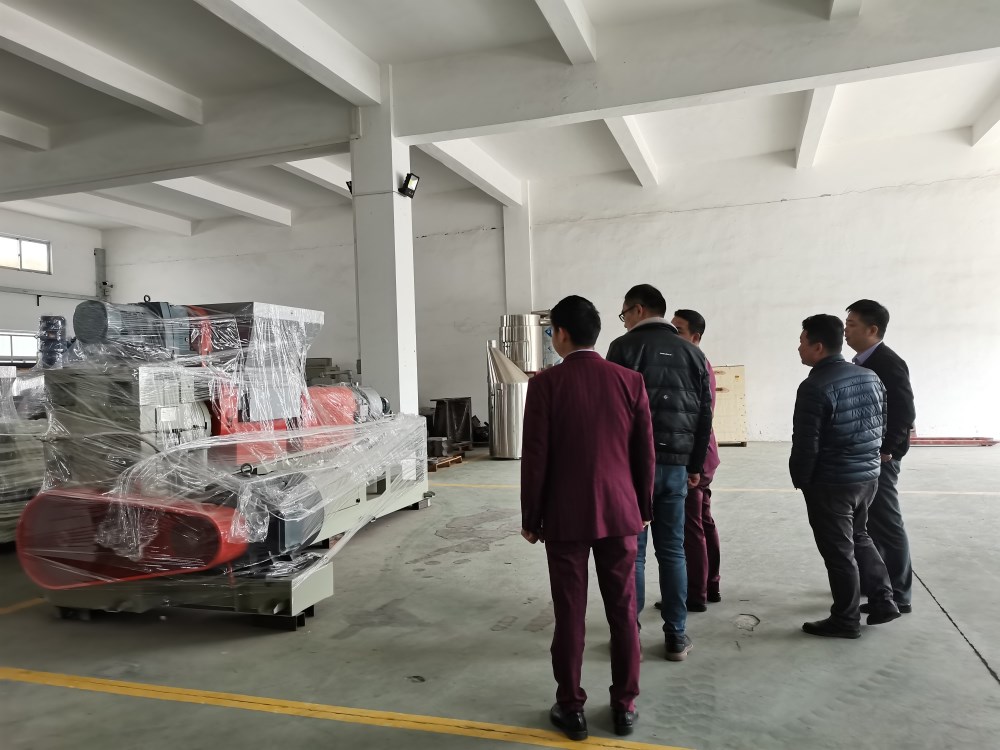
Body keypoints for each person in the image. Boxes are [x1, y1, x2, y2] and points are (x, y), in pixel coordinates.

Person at [520, 295, 655, 740]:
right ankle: (624, 706)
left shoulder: (546, 385)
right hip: (620, 513)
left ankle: (571, 707)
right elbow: (644, 454)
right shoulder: (630, 381)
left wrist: (531, 517)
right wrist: (643, 508)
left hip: (565, 517)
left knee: (570, 614)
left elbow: (535, 459)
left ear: (560, 333)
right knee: (623, 612)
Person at [607, 285, 712, 662]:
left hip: (632, 470)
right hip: (676, 469)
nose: (624, 322)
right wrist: (694, 465)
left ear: (637, 310)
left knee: (633, 554)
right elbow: (704, 414)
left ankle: (629, 635)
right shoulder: (693, 354)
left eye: (624, 314)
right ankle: (676, 635)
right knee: (672, 551)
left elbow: (612, 412)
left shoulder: (623, 348)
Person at [791, 314, 901, 639]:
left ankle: (845, 619)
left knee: (839, 552)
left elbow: (806, 443)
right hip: (867, 476)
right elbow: (881, 424)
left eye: (802, 341)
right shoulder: (870, 376)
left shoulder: (813, 387)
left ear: (818, 347)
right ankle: (883, 600)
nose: (798, 347)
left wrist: (802, 480)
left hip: (832, 482)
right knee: (860, 537)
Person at [844, 299, 915, 614]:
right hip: (867, 454)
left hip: (881, 457)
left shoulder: (887, 362)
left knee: (886, 522)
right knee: (869, 522)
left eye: (852, 325)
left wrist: (887, 449)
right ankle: (876, 586)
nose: (846, 331)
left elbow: (905, 411)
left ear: (872, 330)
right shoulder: (863, 361)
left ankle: (899, 594)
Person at [672, 309, 722, 610]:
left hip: (694, 457)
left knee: (690, 528)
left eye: (678, 330)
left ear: (695, 336)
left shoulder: (694, 364)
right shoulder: (699, 362)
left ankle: (695, 594)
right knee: (703, 522)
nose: (672, 335)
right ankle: (710, 584)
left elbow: (693, 419)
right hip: (704, 455)